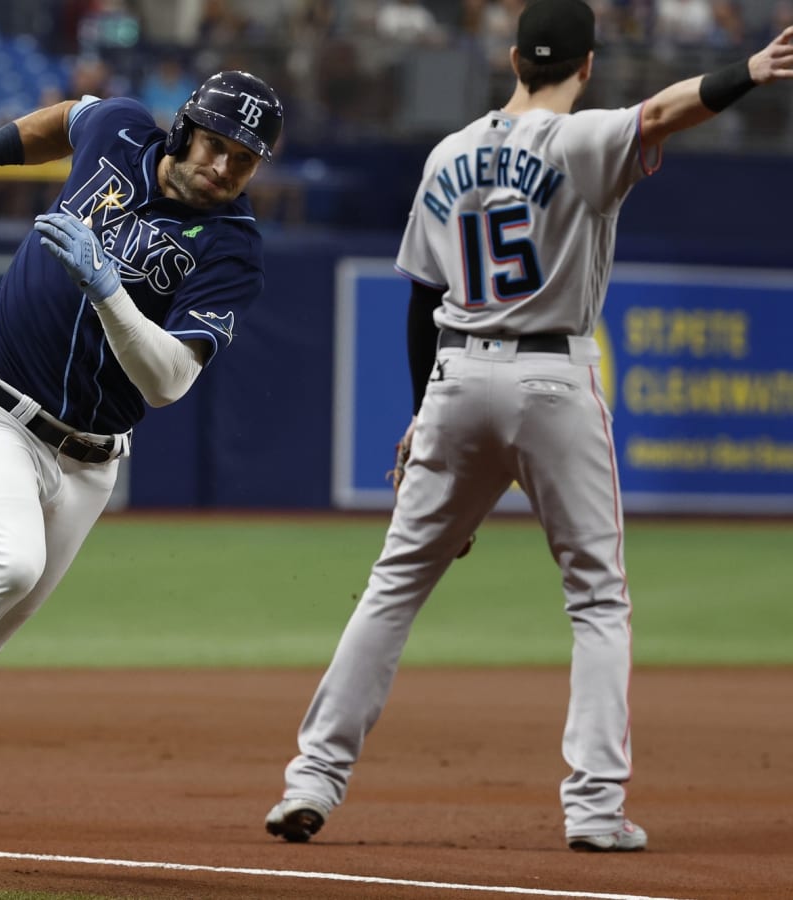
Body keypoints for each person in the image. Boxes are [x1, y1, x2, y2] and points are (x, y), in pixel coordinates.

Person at [264, 0, 793, 852]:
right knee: (597, 598)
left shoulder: (446, 153)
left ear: (513, 59)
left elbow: (420, 296)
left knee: (393, 588)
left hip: (457, 371)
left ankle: (311, 781)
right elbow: (662, 112)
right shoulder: (581, 141)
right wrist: (749, 73)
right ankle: (591, 809)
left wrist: (417, 413)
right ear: (587, 66)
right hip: (553, 376)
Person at [0, 70, 284, 837]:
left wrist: (110, 288)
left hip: (90, 462)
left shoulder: (232, 248)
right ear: (185, 130)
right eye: (217, 145)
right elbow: (69, 118)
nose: (226, 167)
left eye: (246, 159)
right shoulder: (125, 130)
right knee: (7, 563)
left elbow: (169, 381)